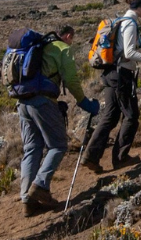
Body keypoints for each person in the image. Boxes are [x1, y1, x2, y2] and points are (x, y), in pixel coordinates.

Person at [19, 27, 100, 216]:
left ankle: (27, 201)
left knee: (32, 148)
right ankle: (40, 186)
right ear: (68, 36)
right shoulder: (62, 48)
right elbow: (71, 79)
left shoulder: (40, 47)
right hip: (43, 101)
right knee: (58, 145)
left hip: (22, 102)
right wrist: (84, 102)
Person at [81, 0, 141, 173]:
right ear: (140, 6)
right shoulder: (130, 24)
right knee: (131, 116)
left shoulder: (119, 21)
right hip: (121, 75)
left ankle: (91, 156)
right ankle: (120, 158)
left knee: (110, 116)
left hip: (110, 73)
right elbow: (128, 54)